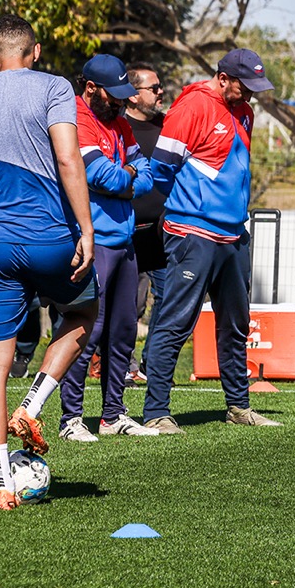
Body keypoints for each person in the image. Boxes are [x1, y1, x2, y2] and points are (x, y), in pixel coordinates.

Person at [0, 14, 99, 508]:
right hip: (52, 241)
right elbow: (70, 160)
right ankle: (32, 404)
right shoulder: (54, 87)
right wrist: (87, 229)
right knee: (82, 314)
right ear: (34, 52)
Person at [139, 48, 277, 433]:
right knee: (175, 323)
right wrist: (186, 209)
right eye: (243, 86)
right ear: (222, 78)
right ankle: (155, 413)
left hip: (233, 234)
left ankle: (238, 406)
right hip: (191, 234)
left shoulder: (244, 113)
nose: (249, 95)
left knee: (235, 323)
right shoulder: (192, 107)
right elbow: (162, 168)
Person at [57, 56, 161, 441]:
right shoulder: (77, 120)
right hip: (93, 242)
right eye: (112, 95)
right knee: (86, 332)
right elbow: (99, 175)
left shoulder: (119, 123)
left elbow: (143, 174)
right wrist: (128, 177)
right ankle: (71, 419)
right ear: (90, 89)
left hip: (125, 241)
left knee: (122, 332)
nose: (119, 103)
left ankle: (113, 414)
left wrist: (127, 177)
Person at [124, 62, 168, 383]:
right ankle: (124, 366)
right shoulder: (117, 128)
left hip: (165, 232)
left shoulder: (170, 127)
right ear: (132, 96)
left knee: (169, 299)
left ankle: (153, 363)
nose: (160, 92)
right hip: (126, 231)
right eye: (153, 88)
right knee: (129, 304)